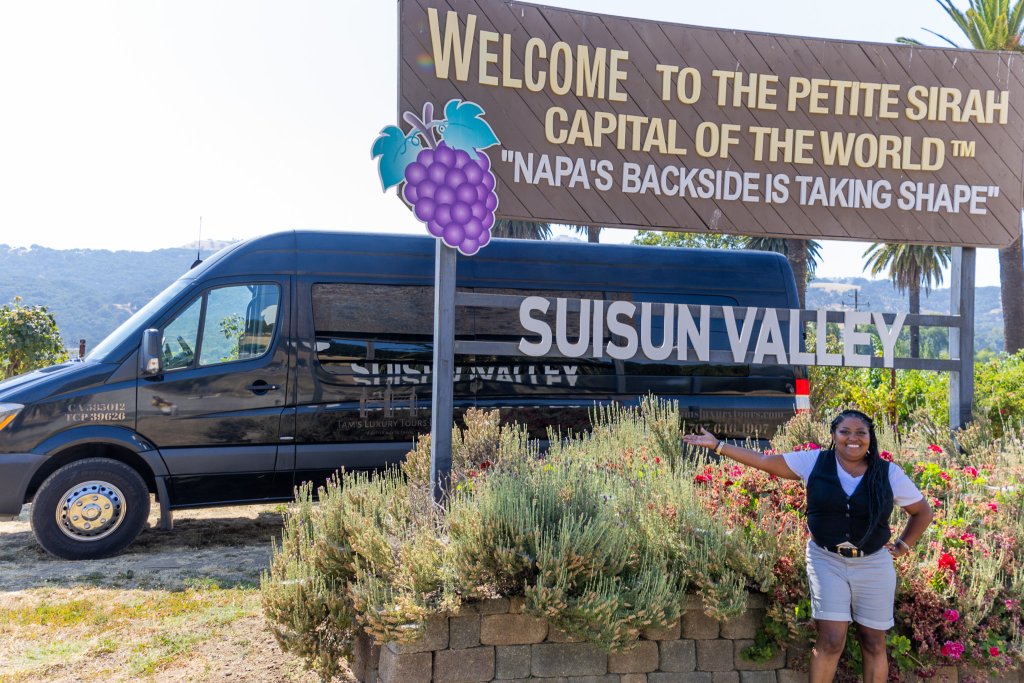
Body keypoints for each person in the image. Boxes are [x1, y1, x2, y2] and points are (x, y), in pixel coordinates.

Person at [682, 409, 933, 683]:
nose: (853, 438)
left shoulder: (888, 473)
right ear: (833, 435)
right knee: (831, 640)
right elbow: (765, 461)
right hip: (827, 560)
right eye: (844, 432)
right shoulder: (814, 461)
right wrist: (718, 445)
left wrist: (903, 545)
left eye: (861, 433)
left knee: (873, 642)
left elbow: (922, 512)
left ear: (870, 437)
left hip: (873, 562)